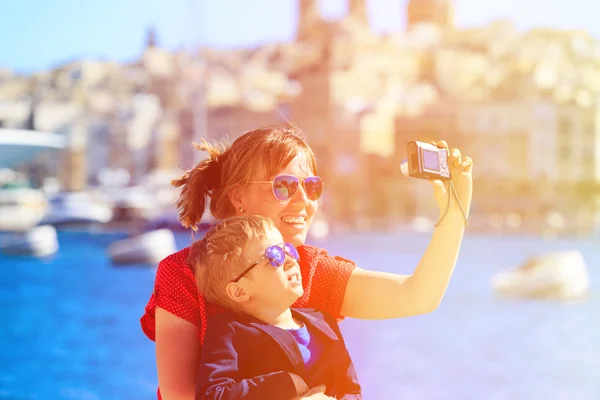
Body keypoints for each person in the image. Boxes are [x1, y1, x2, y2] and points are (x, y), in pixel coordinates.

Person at [140, 125, 473, 400]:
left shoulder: (312, 270)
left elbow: (418, 295)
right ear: (238, 197)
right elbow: (180, 395)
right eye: (284, 187)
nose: (304, 201)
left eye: (312, 187)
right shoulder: (184, 272)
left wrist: (455, 212)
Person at [191, 215, 361, 400]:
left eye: (287, 248)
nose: (289, 260)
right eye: (273, 256)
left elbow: (352, 390)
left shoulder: (323, 322)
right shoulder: (229, 331)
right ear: (239, 291)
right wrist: (286, 383)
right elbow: (212, 395)